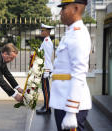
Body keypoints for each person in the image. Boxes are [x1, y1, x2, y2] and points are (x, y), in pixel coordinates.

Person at [49, 0, 92, 131]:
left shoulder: (79, 34)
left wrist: (71, 112)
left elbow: (79, 72)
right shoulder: (71, 33)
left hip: (71, 105)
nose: (61, 12)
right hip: (62, 101)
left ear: (76, 8)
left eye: (64, 8)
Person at [36, 23, 54, 114]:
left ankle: (47, 108)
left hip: (46, 69)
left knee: (46, 89)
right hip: (44, 68)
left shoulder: (47, 42)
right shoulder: (45, 41)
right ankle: (46, 105)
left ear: (47, 31)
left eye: (42, 30)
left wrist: (46, 71)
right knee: (44, 88)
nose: (41, 32)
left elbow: (46, 58)